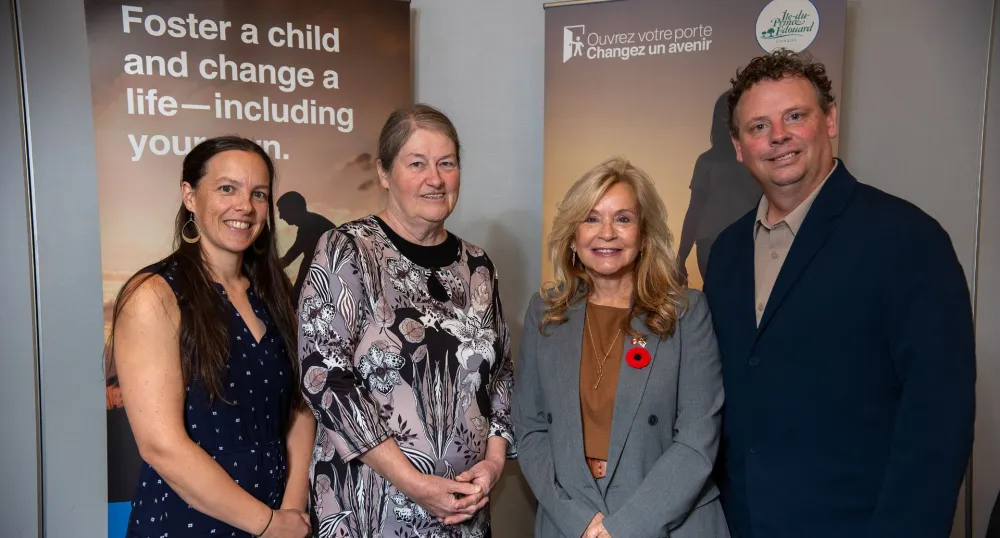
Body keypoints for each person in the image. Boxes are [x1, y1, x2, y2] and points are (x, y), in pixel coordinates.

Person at [703, 50, 976, 538]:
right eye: (759, 126)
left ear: (829, 120)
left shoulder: (907, 238)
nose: (778, 136)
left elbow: (938, 418)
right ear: (739, 147)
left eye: (795, 116)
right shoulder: (726, 252)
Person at [296, 104, 516, 537]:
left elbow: (502, 374)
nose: (435, 179)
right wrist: (413, 483)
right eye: (417, 164)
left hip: (463, 516)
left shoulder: (477, 266)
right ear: (384, 172)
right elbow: (324, 378)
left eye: (446, 163)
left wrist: (492, 464)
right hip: (370, 513)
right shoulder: (346, 250)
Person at [107, 136, 315, 538]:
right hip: (189, 521)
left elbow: (299, 407)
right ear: (189, 196)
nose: (245, 206)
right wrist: (268, 524)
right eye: (227, 188)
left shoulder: (275, 294)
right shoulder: (154, 294)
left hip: (280, 516)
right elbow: (161, 445)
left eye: (258, 194)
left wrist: (291, 510)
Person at [514, 157, 729, 538]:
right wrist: (579, 521)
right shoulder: (545, 314)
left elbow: (697, 439)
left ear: (643, 235)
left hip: (667, 522)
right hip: (572, 522)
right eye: (591, 218)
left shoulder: (686, 313)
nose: (607, 233)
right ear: (573, 236)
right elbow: (530, 430)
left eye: (623, 219)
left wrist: (626, 527)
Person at [676, 91, 761, 283]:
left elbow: (695, 210)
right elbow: (695, 210)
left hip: (749, 240)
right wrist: (681, 257)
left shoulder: (758, 158)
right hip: (713, 242)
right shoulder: (707, 161)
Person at [276, 190, 335, 305]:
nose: (281, 217)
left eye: (282, 211)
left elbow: (293, 258)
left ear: (293, 209)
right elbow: (291, 256)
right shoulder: (310, 224)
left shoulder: (311, 226)